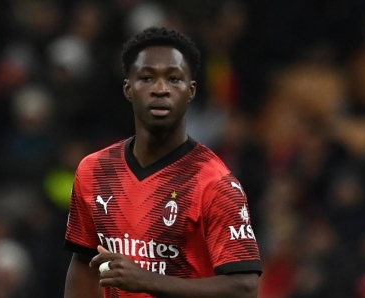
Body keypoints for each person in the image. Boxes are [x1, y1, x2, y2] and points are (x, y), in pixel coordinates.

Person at [63, 27, 262, 298]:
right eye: (146, 78)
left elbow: (244, 287)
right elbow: (83, 263)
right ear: (128, 88)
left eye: (173, 79)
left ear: (190, 91)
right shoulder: (94, 170)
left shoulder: (215, 182)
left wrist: (148, 280)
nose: (160, 89)